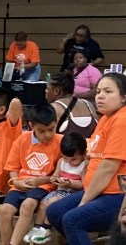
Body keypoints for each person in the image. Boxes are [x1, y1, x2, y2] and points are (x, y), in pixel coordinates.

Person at [46, 73, 126, 245]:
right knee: (54, 212)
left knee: (72, 220)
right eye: (98, 92)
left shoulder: (122, 120)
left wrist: (85, 201)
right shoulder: (105, 118)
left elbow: (108, 168)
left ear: (123, 97)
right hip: (98, 191)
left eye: (108, 91)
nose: (100, 96)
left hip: (116, 195)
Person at [0, 103, 62, 245]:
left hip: (45, 186)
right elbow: (12, 167)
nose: (47, 135)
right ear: (31, 126)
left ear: (56, 123)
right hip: (21, 185)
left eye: (51, 129)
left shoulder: (60, 142)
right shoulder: (22, 140)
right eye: (41, 131)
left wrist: (40, 181)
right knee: (5, 211)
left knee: (27, 205)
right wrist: (15, 182)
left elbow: (60, 175)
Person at [24, 131, 88, 244]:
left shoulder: (84, 165)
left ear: (84, 154)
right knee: (44, 202)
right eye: (65, 158)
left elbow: (83, 185)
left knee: (53, 202)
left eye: (73, 160)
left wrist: (70, 183)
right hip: (61, 190)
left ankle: (46, 229)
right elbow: (55, 176)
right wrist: (54, 179)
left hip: (73, 193)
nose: (69, 162)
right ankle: (37, 227)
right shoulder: (61, 161)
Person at [45, 72, 98, 138]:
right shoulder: (89, 105)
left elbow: (44, 136)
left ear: (56, 91)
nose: (45, 91)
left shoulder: (54, 108)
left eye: (47, 88)